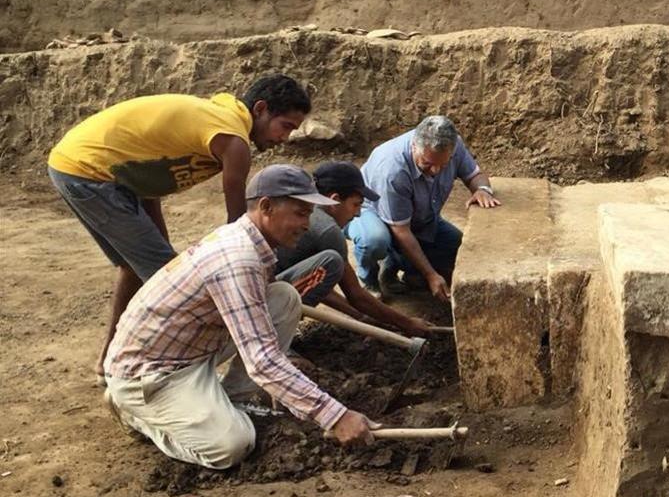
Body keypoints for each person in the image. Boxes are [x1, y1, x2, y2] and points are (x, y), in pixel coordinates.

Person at [103, 165, 377, 470]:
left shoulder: (251, 243)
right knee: (233, 445)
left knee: (284, 297)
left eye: (309, 214)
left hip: (191, 349)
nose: (306, 224)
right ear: (266, 207)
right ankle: (137, 414)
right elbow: (262, 360)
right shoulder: (238, 259)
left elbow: (258, 339)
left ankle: (232, 398)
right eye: (301, 213)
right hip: (150, 373)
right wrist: (336, 415)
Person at [47, 75, 312, 382]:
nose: (286, 138)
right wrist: (257, 304)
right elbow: (241, 229)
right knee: (173, 281)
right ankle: (160, 374)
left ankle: (108, 360)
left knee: (137, 266)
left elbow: (151, 169)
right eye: (286, 126)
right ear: (261, 109)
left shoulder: (218, 120)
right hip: (90, 171)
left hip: (84, 167)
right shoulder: (233, 138)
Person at [348, 115, 501, 301]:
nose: (436, 170)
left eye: (443, 165)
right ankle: (369, 280)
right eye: (427, 163)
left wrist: (482, 190)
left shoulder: (453, 145)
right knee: (375, 240)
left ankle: (404, 268)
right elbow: (401, 230)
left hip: (420, 217)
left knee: (459, 248)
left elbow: (474, 175)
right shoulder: (392, 169)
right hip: (371, 212)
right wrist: (430, 275)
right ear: (414, 146)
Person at [274, 161, 433, 335]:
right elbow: (357, 296)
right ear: (334, 200)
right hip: (267, 303)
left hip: (263, 293)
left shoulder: (309, 214)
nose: (357, 214)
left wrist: (361, 317)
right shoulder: (328, 230)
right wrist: (407, 323)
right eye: (356, 204)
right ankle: (277, 337)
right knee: (333, 262)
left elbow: (312, 285)